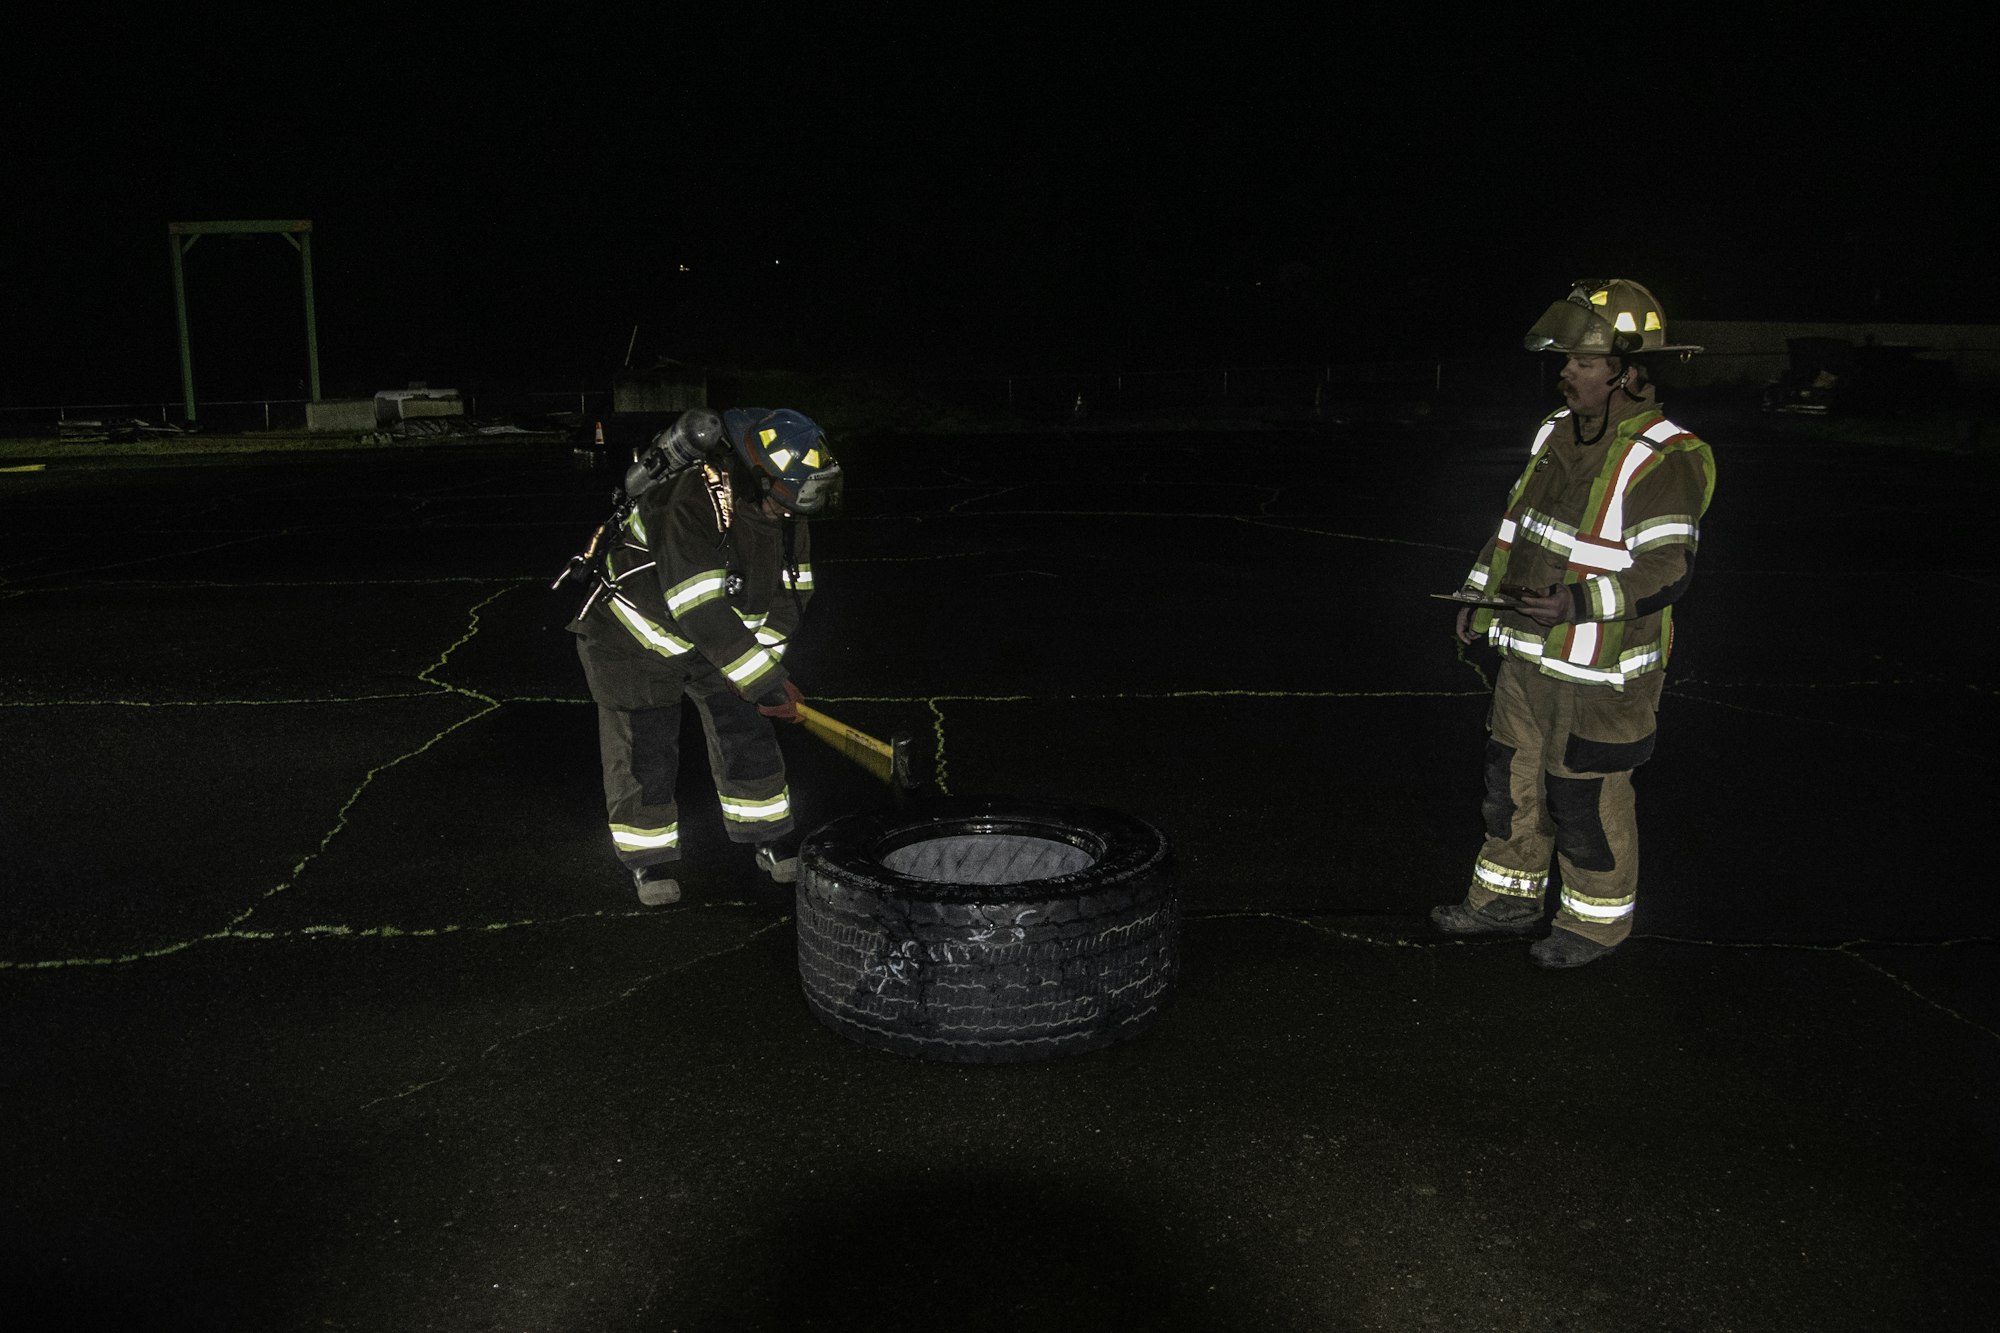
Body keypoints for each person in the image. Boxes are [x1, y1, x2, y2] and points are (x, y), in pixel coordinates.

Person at [1433, 278, 1717, 968]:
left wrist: (1577, 604)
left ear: (1628, 372)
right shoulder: (1555, 433)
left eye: (1582, 362)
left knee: (1584, 799)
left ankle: (1593, 925)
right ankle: (1508, 896)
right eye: (1565, 359)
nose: (1566, 372)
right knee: (1511, 782)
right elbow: (1515, 531)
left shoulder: (1664, 455)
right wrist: (1479, 595)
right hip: (1528, 653)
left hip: (1600, 668)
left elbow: (1667, 570)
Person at [569, 406, 842, 906]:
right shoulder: (687, 499)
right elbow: (698, 606)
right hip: (635, 641)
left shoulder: (785, 507)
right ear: (757, 477)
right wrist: (761, 679)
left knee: (748, 732)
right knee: (645, 753)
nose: (792, 512)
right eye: (785, 499)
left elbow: (793, 590)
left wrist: (764, 669)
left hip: (718, 637)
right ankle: (647, 862)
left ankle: (767, 838)